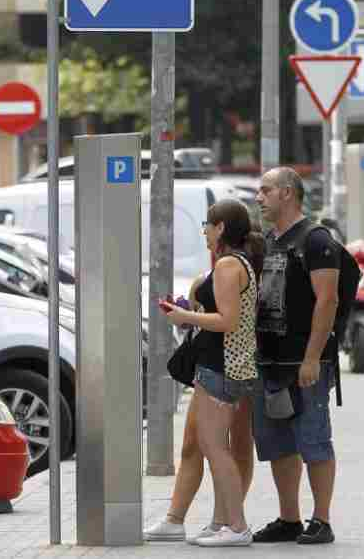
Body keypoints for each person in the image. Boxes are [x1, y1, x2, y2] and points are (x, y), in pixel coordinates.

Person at [146, 209, 262, 546]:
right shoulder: (236, 264)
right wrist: (189, 313)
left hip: (221, 366)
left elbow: (227, 320)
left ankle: (236, 526)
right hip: (219, 365)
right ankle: (214, 523)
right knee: (203, 444)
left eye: (207, 227)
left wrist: (185, 316)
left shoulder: (228, 265)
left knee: (214, 447)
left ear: (221, 227)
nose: (205, 234)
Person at [251, 167, 340, 546]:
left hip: (305, 364)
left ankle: (321, 519)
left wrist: (311, 358)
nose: (259, 197)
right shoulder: (269, 240)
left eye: (265, 190)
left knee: (314, 440)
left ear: (288, 193)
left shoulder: (317, 240)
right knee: (278, 443)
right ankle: (290, 518)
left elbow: (328, 300)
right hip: (269, 361)